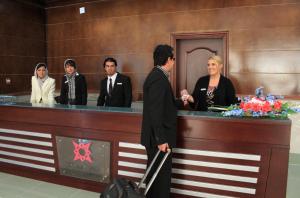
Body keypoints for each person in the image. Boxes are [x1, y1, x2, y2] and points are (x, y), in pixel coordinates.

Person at [141, 45, 183, 198]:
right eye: (173, 59)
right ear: (167, 59)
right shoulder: (158, 78)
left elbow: (165, 104)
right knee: (160, 178)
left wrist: (181, 101)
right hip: (158, 139)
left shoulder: (158, 75)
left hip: (157, 138)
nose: (173, 62)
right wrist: (161, 139)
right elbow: (156, 112)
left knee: (157, 177)